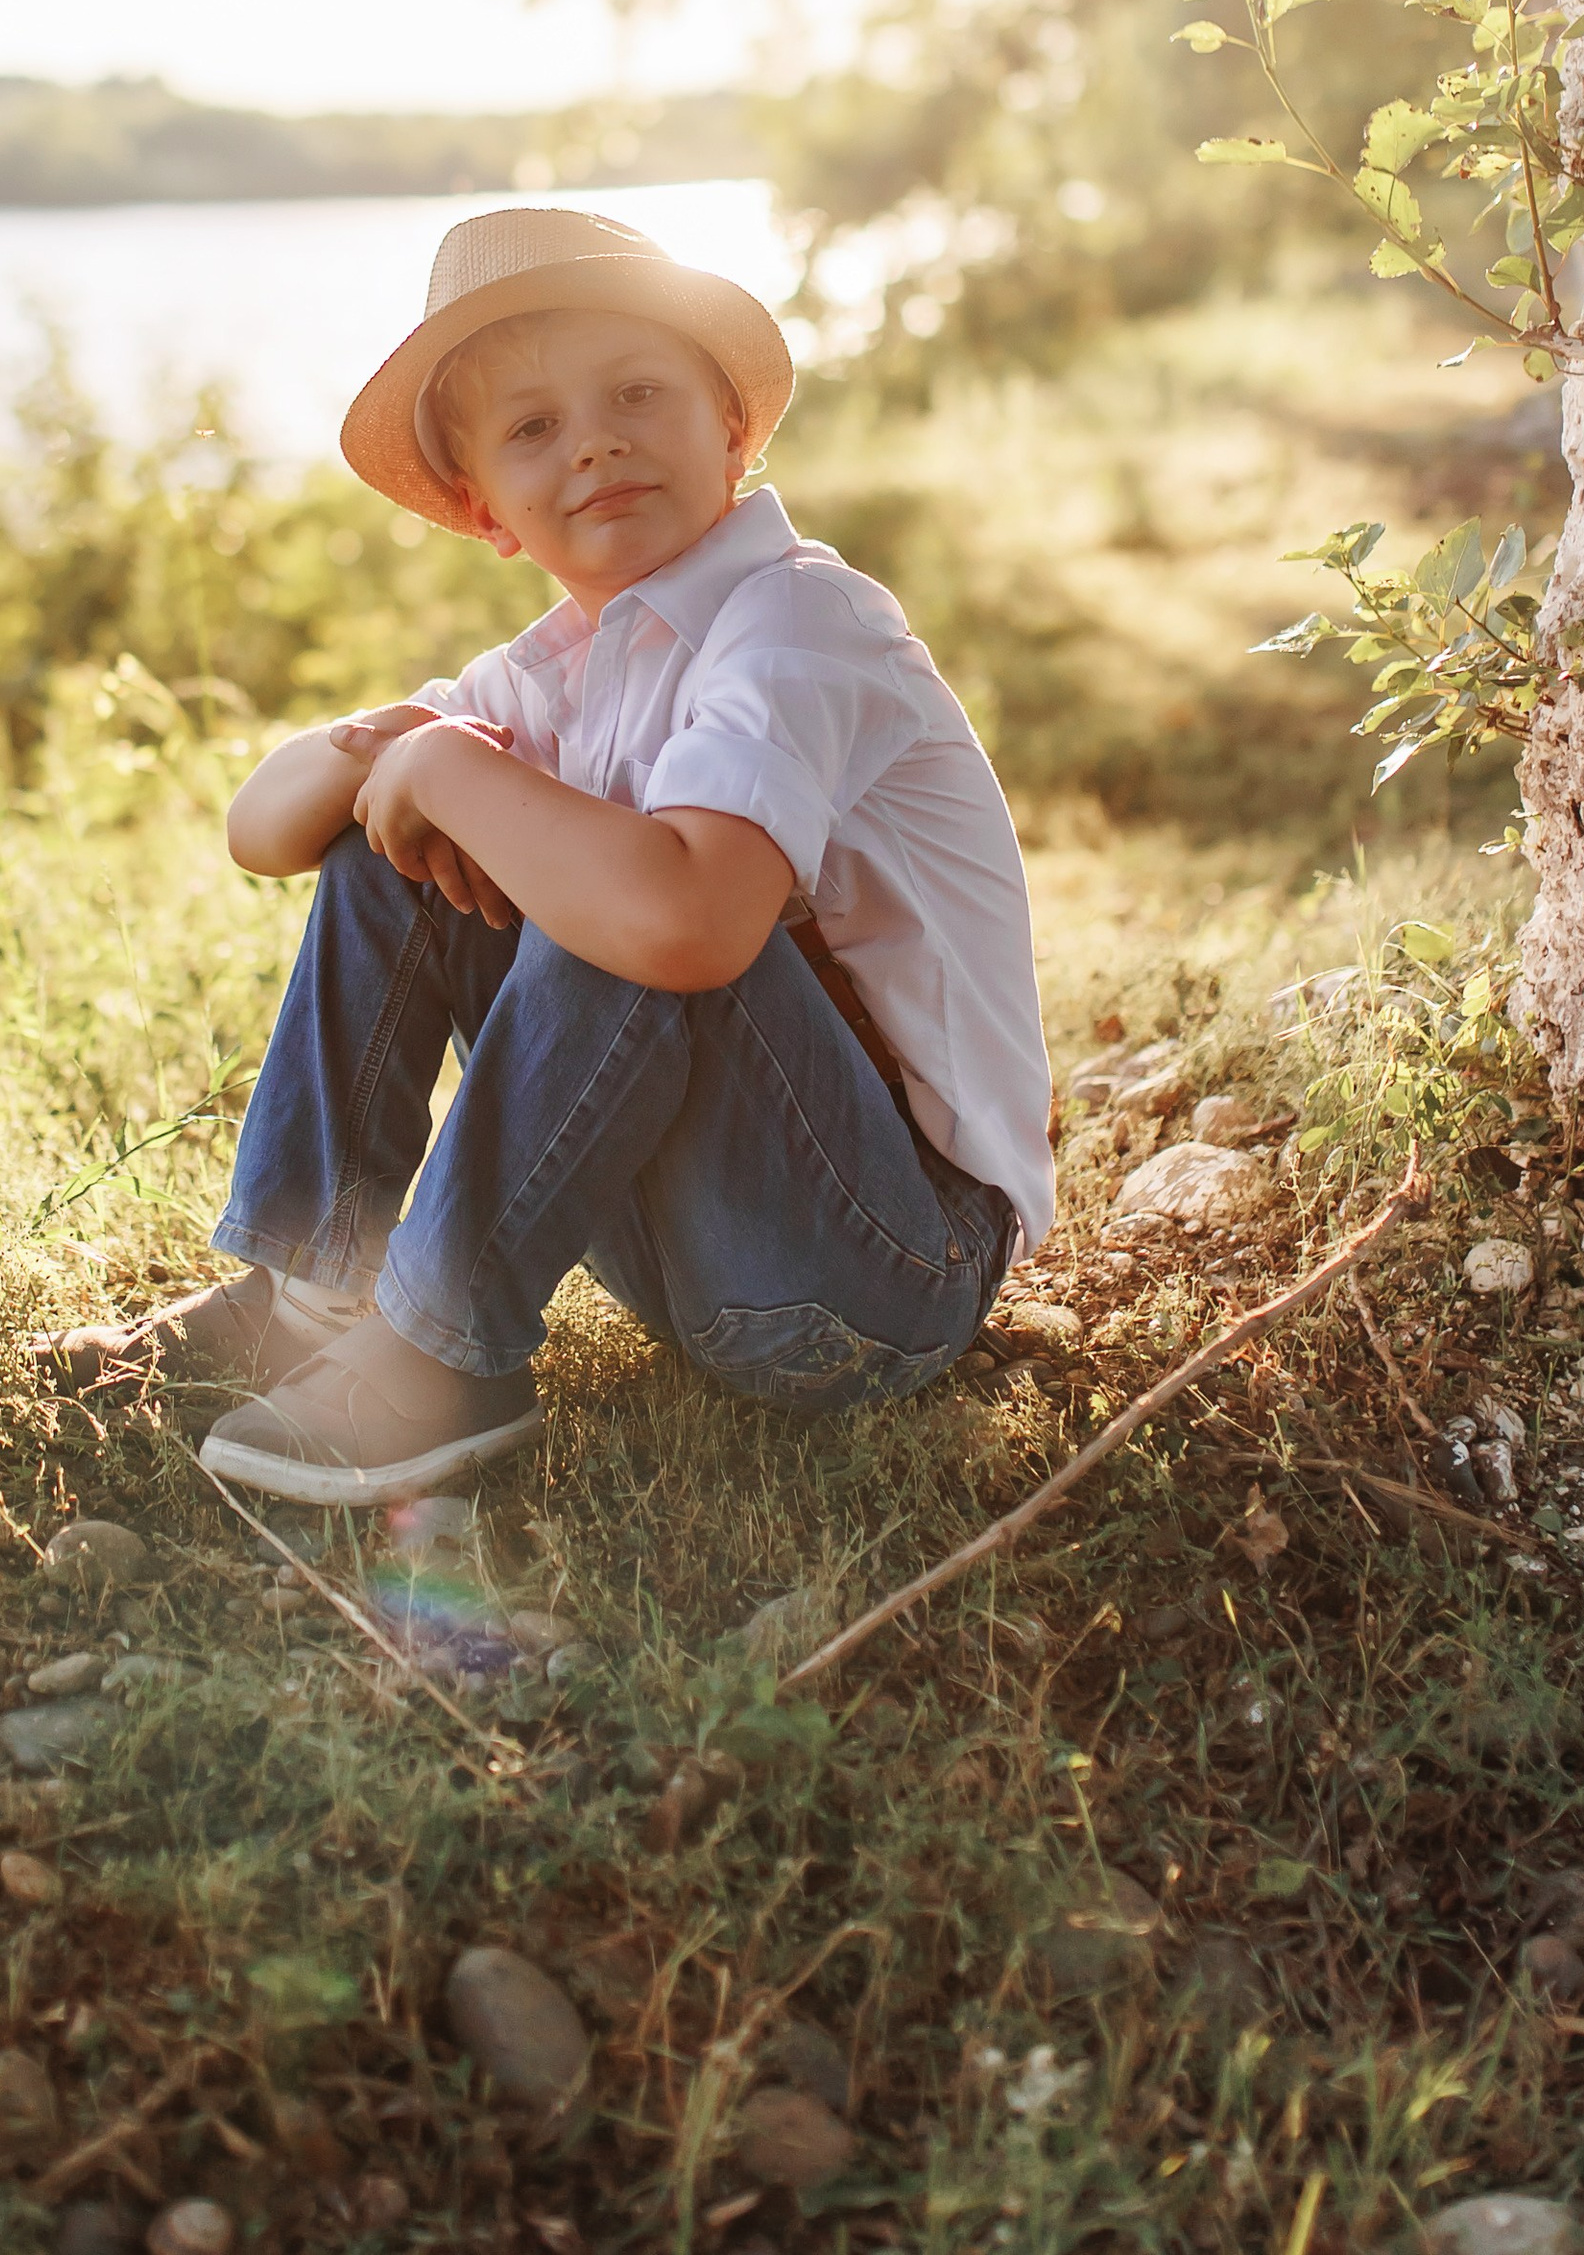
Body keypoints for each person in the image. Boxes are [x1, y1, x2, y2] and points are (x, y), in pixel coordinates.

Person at [56, 205, 1054, 1507]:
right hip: (692, 1259)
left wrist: (455, 770)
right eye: (532, 428)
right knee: (396, 848)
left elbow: (691, 925)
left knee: (637, 890)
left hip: (882, 1269)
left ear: (733, 434)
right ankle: (302, 1296)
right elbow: (265, 830)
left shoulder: (802, 617)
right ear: (485, 509)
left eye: (638, 392)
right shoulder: (549, 675)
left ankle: (440, 1361)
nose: (594, 440)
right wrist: (404, 747)